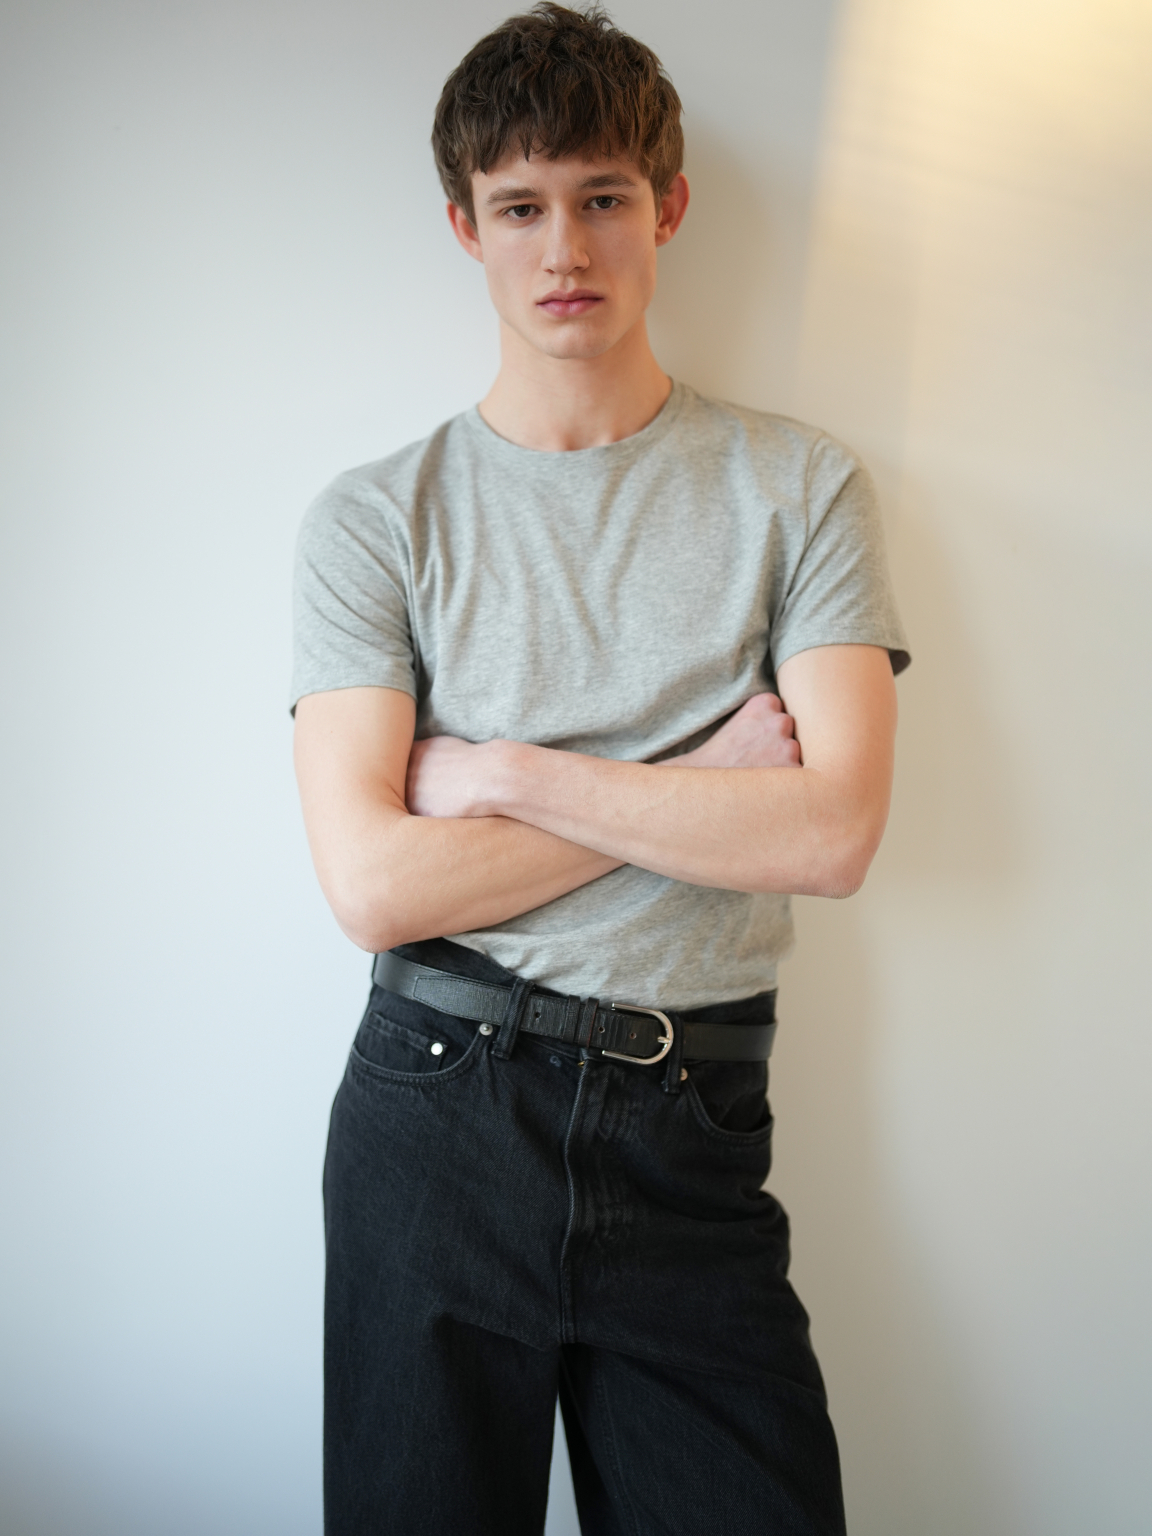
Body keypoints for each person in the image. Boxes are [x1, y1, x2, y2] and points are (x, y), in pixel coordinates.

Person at [291, 5, 909, 1532]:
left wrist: (503, 772)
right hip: (438, 1114)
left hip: (694, 1133)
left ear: (667, 206)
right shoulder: (374, 520)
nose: (564, 247)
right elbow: (374, 888)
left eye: (602, 196)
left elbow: (831, 833)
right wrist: (710, 775)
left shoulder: (800, 487)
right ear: (466, 226)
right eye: (520, 207)